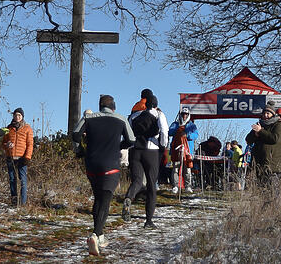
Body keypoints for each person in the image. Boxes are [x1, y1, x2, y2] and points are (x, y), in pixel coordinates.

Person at [72, 95, 135, 256]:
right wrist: (118, 146)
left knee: (98, 198)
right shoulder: (121, 119)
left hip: (92, 165)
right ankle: (95, 234)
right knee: (105, 201)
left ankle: (100, 236)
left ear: (100, 106)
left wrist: (80, 151)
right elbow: (131, 140)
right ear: (114, 106)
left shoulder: (89, 118)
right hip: (110, 165)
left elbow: (75, 134)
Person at [122, 94, 168, 229]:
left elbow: (127, 134)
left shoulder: (134, 116)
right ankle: (148, 220)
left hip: (135, 150)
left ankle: (129, 197)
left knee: (137, 180)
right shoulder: (159, 114)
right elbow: (164, 131)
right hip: (151, 150)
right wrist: (162, 145)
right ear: (156, 104)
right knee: (151, 185)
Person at [245, 106, 281, 186]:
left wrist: (261, 131)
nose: (265, 115)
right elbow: (248, 140)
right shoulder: (259, 124)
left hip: (272, 163)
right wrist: (255, 134)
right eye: (264, 114)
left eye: (268, 113)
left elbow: (275, 139)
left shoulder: (278, 125)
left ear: (273, 114)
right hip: (259, 163)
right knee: (261, 187)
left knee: (272, 188)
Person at [3, 107, 33, 206]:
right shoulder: (8, 128)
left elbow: (30, 144)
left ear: (22, 116)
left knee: (23, 179)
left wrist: (27, 157)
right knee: (12, 179)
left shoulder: (27, 128)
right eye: (15, 115)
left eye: (19, 115)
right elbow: (3, 143)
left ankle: (23, 202)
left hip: (22, 158)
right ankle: (14, 201)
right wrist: (7, 145)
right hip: (10, 157)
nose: (17, 117)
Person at [168, 107, 198, 194]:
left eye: (186, 114)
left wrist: (187, 134)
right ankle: (175, 185)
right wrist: (177, 131)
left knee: (187, 168)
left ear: (188, 115)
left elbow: (195, 135)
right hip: (176, 150)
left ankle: (188, 186)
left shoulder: (192, 125)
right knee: (175, 168)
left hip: (188, 150)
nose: (184, 116)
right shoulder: (175, 124)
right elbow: (169, 132)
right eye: (183, 114)